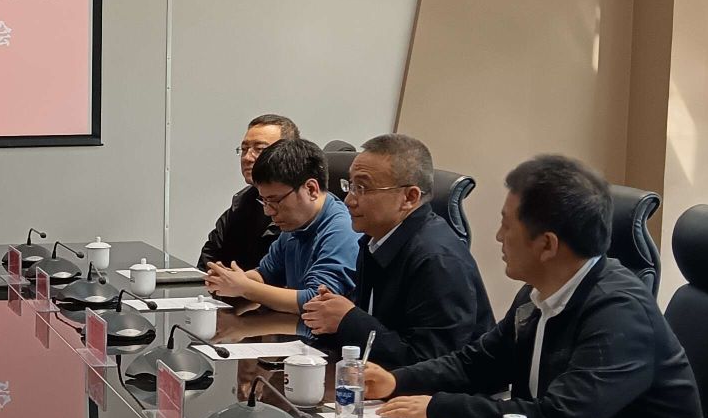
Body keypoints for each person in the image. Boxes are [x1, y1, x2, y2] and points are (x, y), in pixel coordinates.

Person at [366, 154, 708, 418]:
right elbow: (479, 363)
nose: (498, 237)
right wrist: (397, 381)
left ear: (547, 245)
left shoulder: (620, 313)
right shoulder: (538, 292)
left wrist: (437, 407)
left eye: (506, 225)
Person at [299, 133, 493, 366]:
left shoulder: (438, 259)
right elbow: (377, 325)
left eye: (362, 188)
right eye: (350, 186)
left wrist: (348, 320)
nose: (349, 200)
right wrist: (329, 316)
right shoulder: (374, 240)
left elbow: (432, 363)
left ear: (409, 197)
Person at [204, 137, 360, 316]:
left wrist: (244, 287)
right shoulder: (295, 224)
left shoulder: (343, 230)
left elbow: (317, 301)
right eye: (264, 201)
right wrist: (230, 280)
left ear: (311, 189)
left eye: (275, 201)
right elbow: (266, 274)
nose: (268, 211)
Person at [198, 113, 297, 271]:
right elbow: (207, 262)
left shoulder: (300, 212)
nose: (247, 158)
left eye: (259, 149)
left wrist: (239, 281)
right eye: (244, 149)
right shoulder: (242, 203)